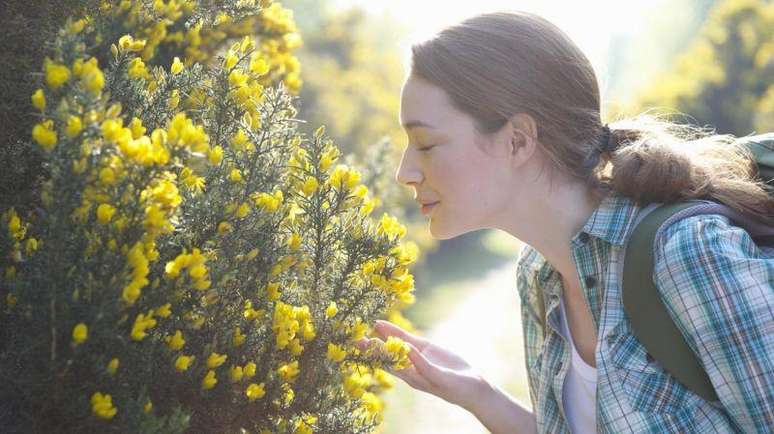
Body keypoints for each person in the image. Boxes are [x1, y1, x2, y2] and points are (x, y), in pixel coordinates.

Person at [356, 11, 774, 434]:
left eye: (426, 144)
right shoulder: (537, 274)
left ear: (517, 140)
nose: (404, 172)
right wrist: (477, 395)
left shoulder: (687, 253)